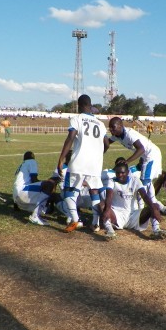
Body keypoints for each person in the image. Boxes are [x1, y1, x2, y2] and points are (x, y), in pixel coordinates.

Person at [106, 117, 166, 216]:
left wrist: (127, 161)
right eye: (110, 128)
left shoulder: (129, 134)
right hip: (147, 156)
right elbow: (106, 143)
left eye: (113, 127)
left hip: (150, 155)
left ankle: (158, 207)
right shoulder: (116, 135)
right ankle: (164, 206)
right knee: (147, 183)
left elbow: (141, 149)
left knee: (143, 185)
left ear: (121, 126)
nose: (111, 130)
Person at [57, 94, 109, 233]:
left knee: (68, 191)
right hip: (95, 165)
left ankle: (75, 220)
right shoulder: (100, 124)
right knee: (94, 192)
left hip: (78, 163)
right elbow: (107, 144)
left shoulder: (77, 119)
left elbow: (71, 137)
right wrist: (98, 154)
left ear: (79, 105)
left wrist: (61, 158)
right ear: (90, 105)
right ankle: (95, 224)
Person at [101, 162, 166, 240]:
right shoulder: (112, 181)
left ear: (128, 172)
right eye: (118, 173)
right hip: (117, 215)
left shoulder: (135, 180)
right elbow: (109, 196)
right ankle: (110, 232)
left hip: (134, 215)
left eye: (122, 173)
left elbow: (145, 196)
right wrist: (107, 209)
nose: (120, 175)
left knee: (154, 205)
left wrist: (154, 209)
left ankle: (156, 230)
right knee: (102, 205)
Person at [13, 151, 59, 225]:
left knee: (48, 206)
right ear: (33, 157)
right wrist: (49, 181)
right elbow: (34, 179)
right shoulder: (31, 162)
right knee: (49, 184)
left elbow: (17, 186)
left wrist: (16, 205)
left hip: (17, 197)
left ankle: (42, 209)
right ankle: (35, 215)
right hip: (23, 192)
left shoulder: (22, 165)